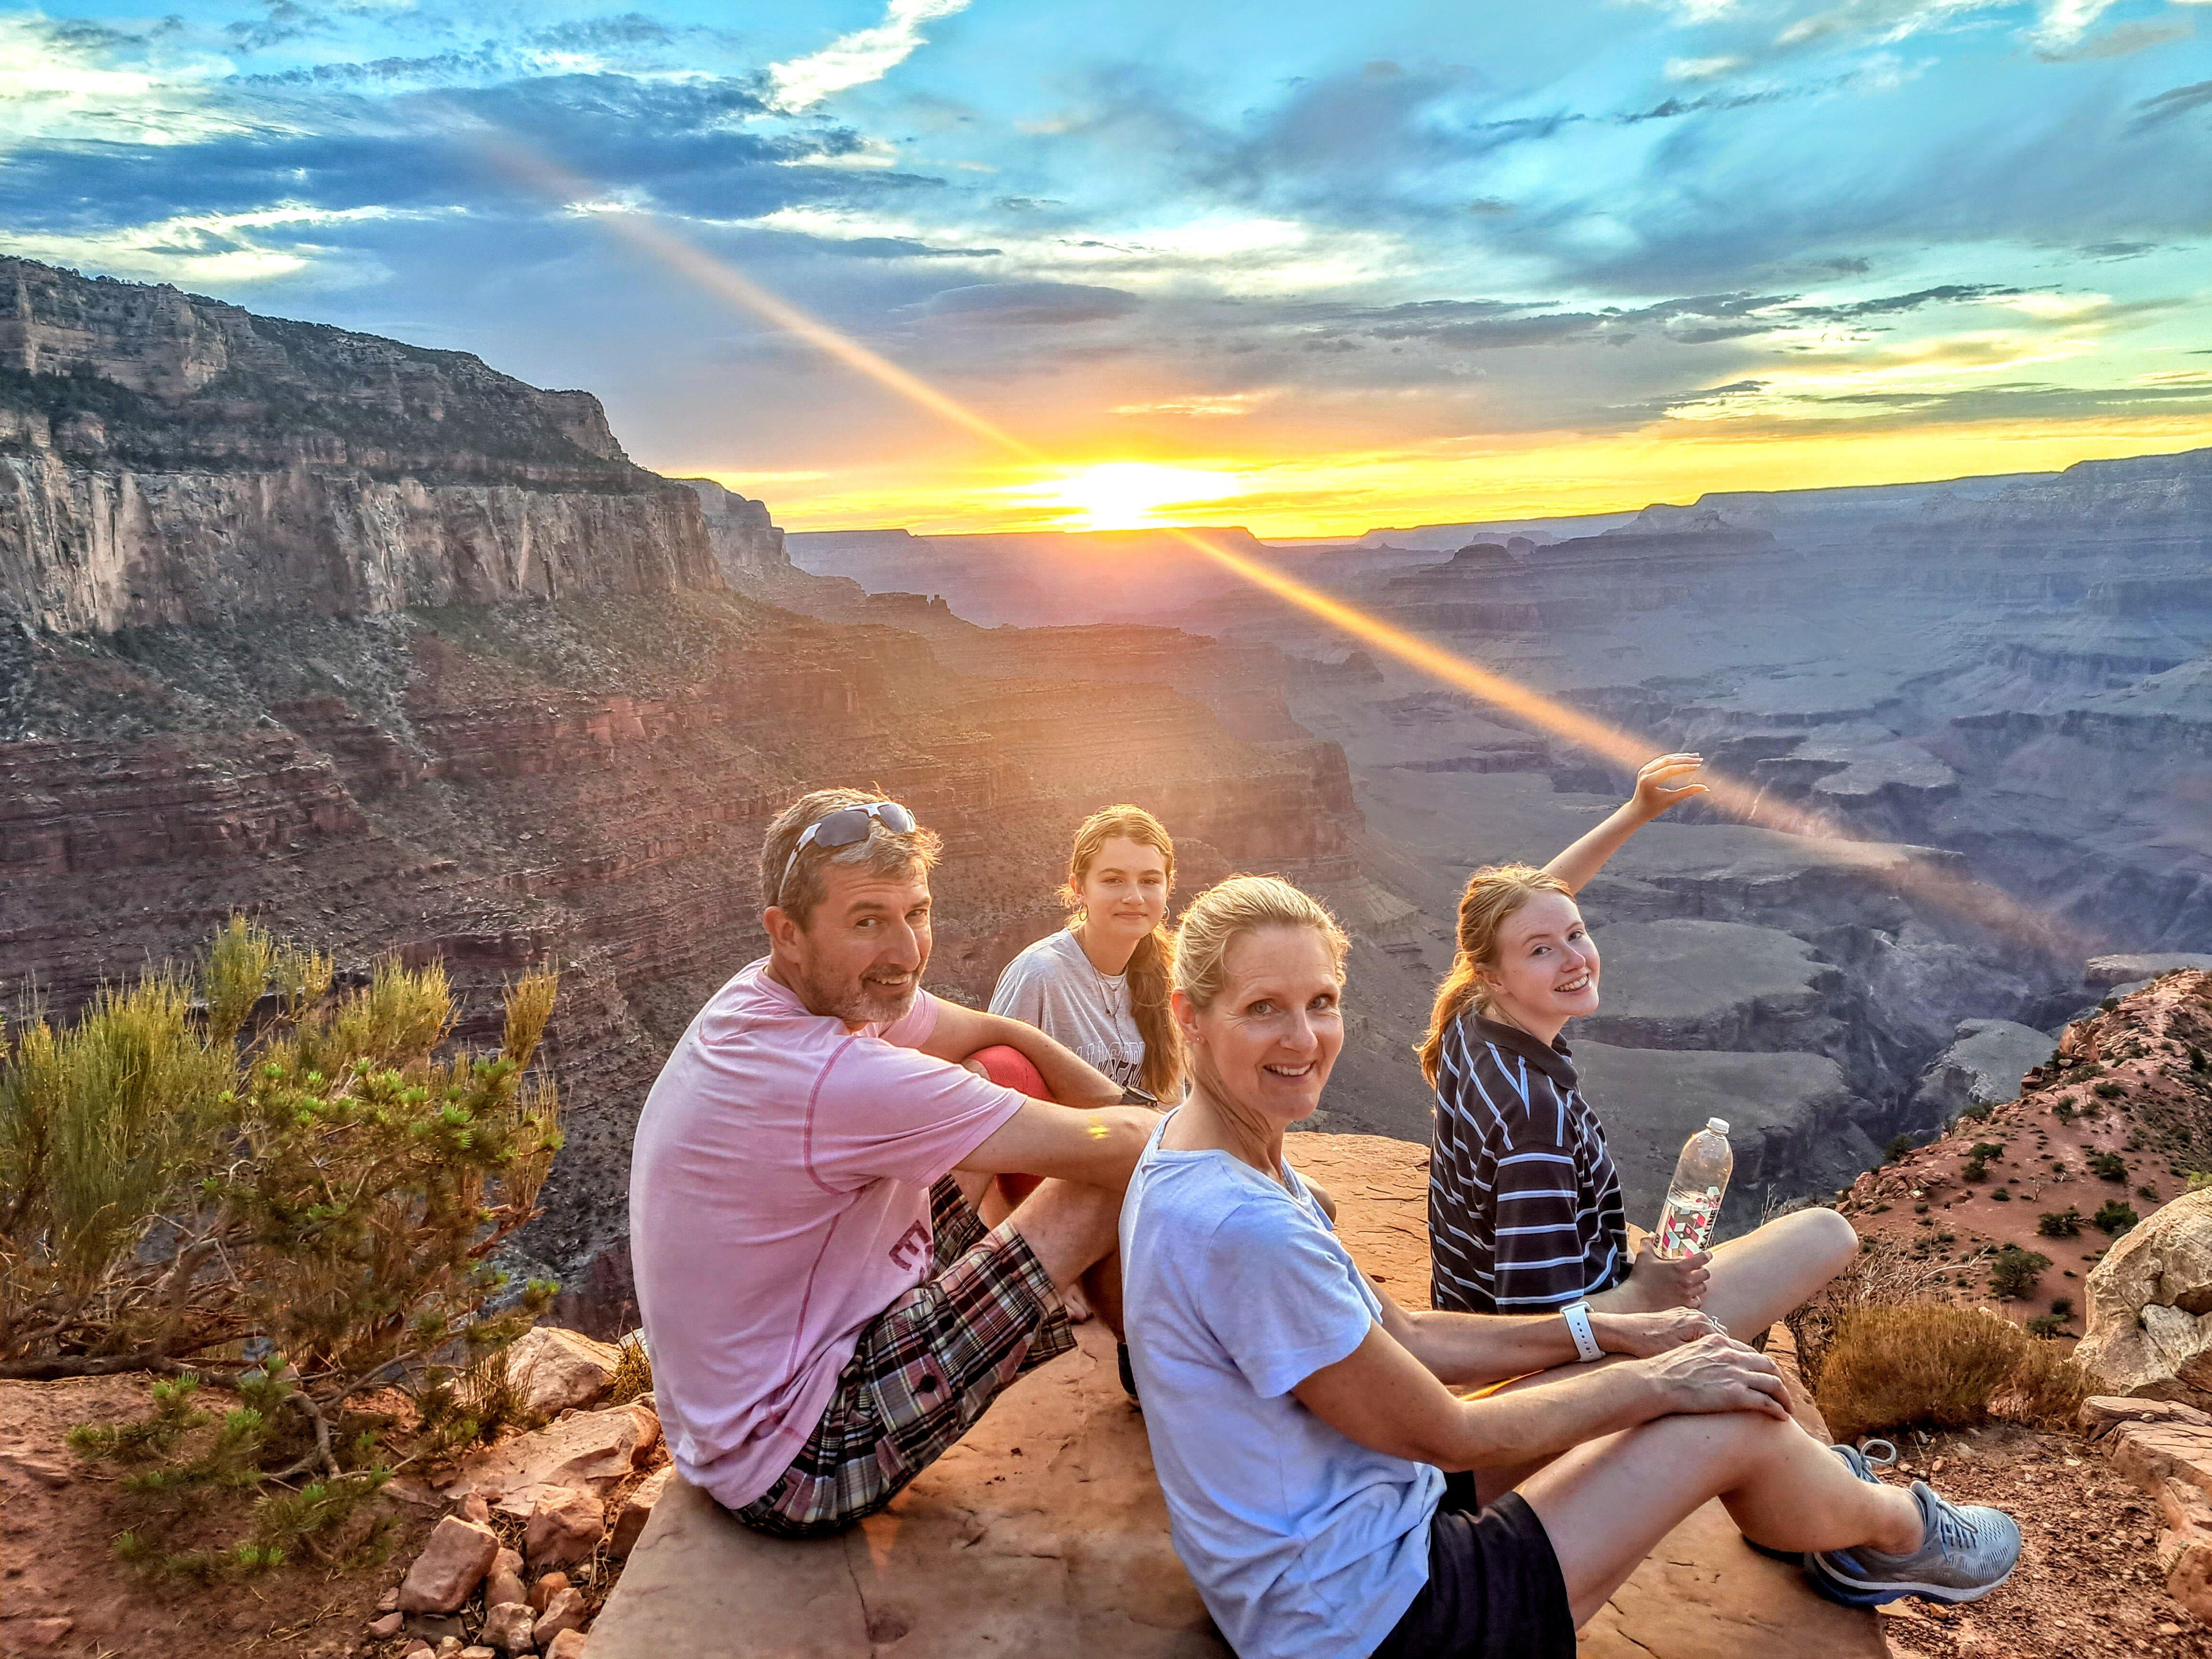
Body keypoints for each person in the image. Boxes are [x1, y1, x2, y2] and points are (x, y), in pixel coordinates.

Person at [1119, 874, 2021, 1659]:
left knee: (1682, 1381)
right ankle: (1898, 1533)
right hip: (1376, 1618)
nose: (1304, 1036)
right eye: (1262, 1007)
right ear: (1188, 1017)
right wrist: (1661, 1379)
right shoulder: (1245, 1225)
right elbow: (1447, 1433)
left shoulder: (1200, 1154)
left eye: (1320, 1001)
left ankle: (1835, 1516)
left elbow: (1403, 1334)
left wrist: (1606, 1329)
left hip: (1351, 1519)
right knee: (1726, 1416)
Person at [627, 787, 1157, 1537]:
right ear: (788, 933)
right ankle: (1178, 1375)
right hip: (800, 1460)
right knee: (1099, 1182)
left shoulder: (778, 995)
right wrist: (1264, 1174)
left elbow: (993, 1034)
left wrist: (1115, 1097)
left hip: (745, 1404)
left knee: (996, 1071)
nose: (906, 953)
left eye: (917, 913)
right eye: (869, 922)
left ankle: (1145, 1346)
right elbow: (1131, 1151)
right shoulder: (827, 1075)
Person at [1422, 754, 1859, 1337]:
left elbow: (1532, 907)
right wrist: (1643, 1294)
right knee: (1827, 1235)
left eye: (1575, 934)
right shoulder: (1533, 1117)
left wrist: (1635, 813)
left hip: (1478, 1304)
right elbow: (1533, 1326)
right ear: (1496, 974)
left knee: (1816, 1234)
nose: (1576, 959)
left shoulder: (1468, 1016)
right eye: (1542, 951)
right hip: (1549, 1357)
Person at [989, 803, 1184, 1105]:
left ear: (1168, 888)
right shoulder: (1041, 975)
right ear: (1079, 888)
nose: (1134, 897)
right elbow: (990, 1094)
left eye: (1150, 881)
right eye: (1113, 880)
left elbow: (1169, 1110)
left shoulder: (1167, 976)